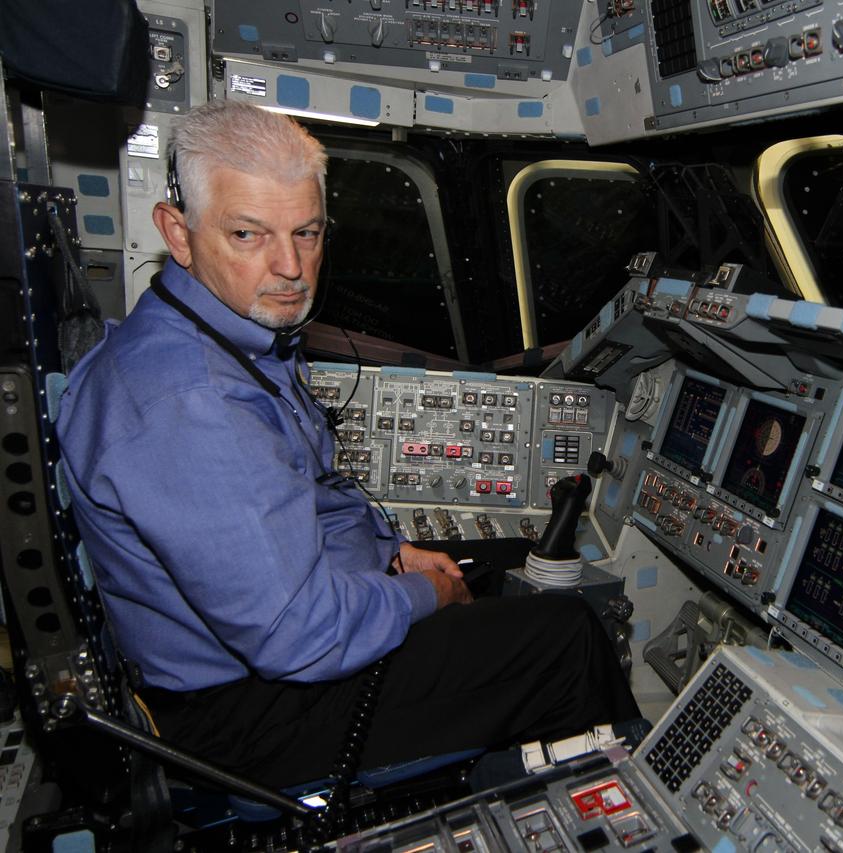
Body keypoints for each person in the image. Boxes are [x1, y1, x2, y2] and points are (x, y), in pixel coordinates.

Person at [56, 99, 640, 789]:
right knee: (564, 638)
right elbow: (299, 636)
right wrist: (424, 594)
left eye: (306, 232)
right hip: (251, 716)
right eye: (248, 234)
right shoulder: (190, 404)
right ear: (178, 235)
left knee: (517, 560)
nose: (290, 267)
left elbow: (306, 499)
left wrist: (391, 552)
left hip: (273, 646)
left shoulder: (221, 334)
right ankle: (622, 805)